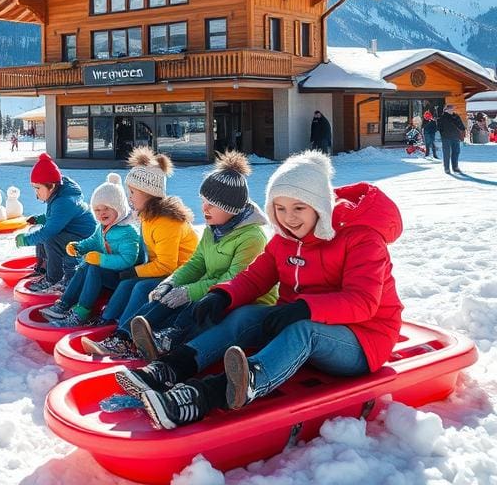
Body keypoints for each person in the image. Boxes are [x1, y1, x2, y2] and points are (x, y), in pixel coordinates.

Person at [116, 151, 403, 430]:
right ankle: (173, 366)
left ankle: (208, 394)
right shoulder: (284, 240)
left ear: (320, 206)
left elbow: (364, 301)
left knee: (305, 330)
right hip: (299, 320)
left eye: (299, 208)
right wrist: (221, 294)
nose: (289, 218)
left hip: (364, 338)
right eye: (280, 208)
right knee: (245, 315)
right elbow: (255, 277)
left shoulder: (362, 239)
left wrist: (304, 308)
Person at [115, 152, 277, 361]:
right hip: (212, 289)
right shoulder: (214, 228)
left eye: (211, 204)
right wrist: (171, 282)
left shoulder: (252, 237)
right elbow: (197, 263)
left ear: (231, 208)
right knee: (166, 297)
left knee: (197, 305)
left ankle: (169, 340)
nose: (204, 209)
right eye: (203, 201)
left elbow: (235, 280)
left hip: (244, 299)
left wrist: (190, 291)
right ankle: (126, 336)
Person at [81, 148, 198, 356]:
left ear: (149, 193)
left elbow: (167, 265)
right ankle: (109, 321)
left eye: (133, 193)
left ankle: (124, 339)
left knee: (140, 287)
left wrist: (135, 271)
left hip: (182, 275)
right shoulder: (147, 216)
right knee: (127, 283)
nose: (129, 197)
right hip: (165, 271)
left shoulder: (166, 222)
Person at [40, 173, 140, 327]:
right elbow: (93, 241)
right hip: (109, 273)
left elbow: (128, 259)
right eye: (97, 210)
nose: (101, 213)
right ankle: (64, 304)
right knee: (85, 265)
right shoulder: (103, 227)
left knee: (94, 267)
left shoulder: (128, 231)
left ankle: (81, 313)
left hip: (123, 278)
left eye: (106, 208)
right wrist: (79, 247)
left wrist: (101, 260)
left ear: (119, 208)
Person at [14, 154, 98, 294]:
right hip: (70, 230)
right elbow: (56, 218)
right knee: (41, 233)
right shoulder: (58, 193)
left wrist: (26, 239)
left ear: (51, 186)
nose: (36, 194)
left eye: (38, 188)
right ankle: (44, 268)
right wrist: (40, 219)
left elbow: (50, 231)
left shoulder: (64, 201)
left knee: (49, 239)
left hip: (85, 237)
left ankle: (53, 278)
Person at [438, 103, 466, 175]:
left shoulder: (456, 116)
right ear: (446, 110)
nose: (451, 109)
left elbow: (461, 126)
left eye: (452, 108)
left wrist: (462, 130)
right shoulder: (442, 117)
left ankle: (455, 167)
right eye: (449, 108)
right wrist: (442, 134)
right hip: (446, 137)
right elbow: (439, 127)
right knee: (446, 153)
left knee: (456, 152)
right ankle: (447, 168)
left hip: (455, 137)